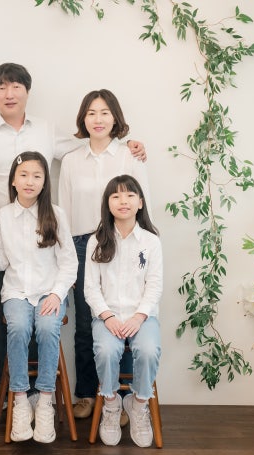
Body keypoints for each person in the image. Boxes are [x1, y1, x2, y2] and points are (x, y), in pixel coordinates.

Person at [0, 63, 147, 418]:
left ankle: (39, 394)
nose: (9, 93)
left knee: (42, 319)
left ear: (27, 91)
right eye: (2, 87)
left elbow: (88, 144)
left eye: (16, 86)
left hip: (40, 238)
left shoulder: (47, 131)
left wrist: (129, 144)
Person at [58, 89, 151, 421]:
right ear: (83, 119)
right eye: (91, 113)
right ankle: (86, 393)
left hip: (124, 242)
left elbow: (143, 205)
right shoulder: (71, 160)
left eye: (104, 112)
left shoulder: (130, 156)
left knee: (122, 320)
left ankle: (122, 397)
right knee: (86, 323)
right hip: (83, 245)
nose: (98, 119)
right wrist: (67, 258)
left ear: (115, 118)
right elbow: (64, 214)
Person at [0, 151, 78, 443]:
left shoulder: (56, 215)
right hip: (16, 292)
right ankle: (21, 400)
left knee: (48, 329)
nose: (29, 181)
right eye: (23, 175)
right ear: (13, 180)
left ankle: (46, 400)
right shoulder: (2, 216)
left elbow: (69, 263)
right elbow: (1, 260)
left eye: (37, 176)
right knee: (18, 327)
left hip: (50, 292)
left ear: (45, 181)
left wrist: (57, 294)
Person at [84, 175, 162, 448]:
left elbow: (154, 285)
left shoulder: (151, 241)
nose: (123, 201)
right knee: (106, 351)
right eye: (115, 196)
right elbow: (91, 288)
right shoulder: (96, 241)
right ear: (108, 204)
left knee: (148, 351)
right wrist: (107, 316)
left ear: (140, 202)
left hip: (143, 316)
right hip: (107, 317)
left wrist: (139, 317)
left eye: (129, 195)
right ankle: (111, 404)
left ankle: (138, 405)